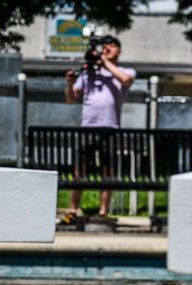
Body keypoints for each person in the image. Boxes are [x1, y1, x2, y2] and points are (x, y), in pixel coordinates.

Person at [63, 35, 136, 222]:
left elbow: (125, 79)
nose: (107, 49)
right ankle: (73, 210)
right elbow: (71, 100)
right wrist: (70, 83)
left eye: (112, 46)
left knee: (107, 171)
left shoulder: (124, 71)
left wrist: (103, 61)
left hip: (110, 128)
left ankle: (103, 212)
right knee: (80, 172)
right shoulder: (88, 74)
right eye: (105, 46)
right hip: (88, 127)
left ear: (119, 50)